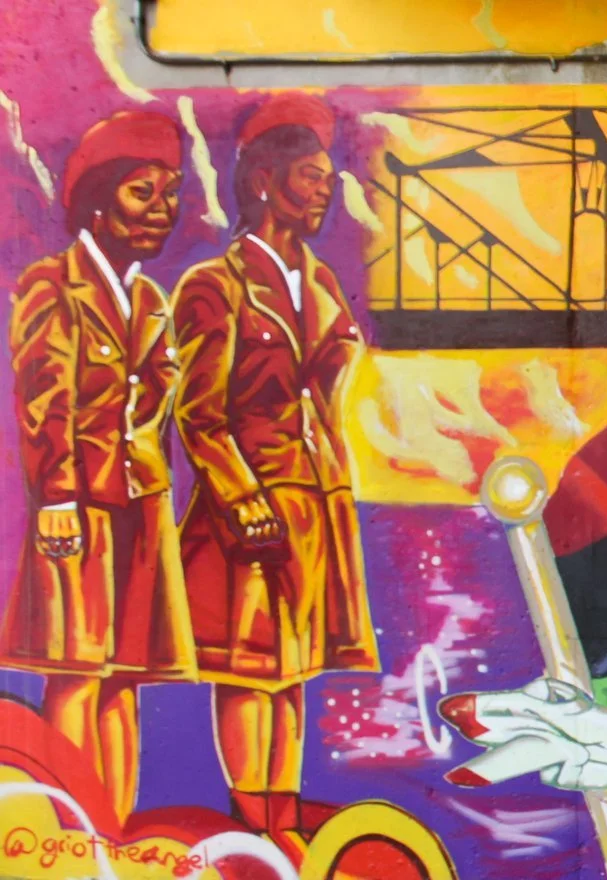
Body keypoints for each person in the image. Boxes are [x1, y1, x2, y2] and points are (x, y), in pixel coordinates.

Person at [170, 92, 376, 837]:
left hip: (314, 500)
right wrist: (241, 496)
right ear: (263, 181)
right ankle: (253, 824)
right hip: (248, 510)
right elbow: (197, 413)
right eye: (310, 177)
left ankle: (281, 822)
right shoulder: (215, 287)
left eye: (327, 178)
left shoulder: (319, 285)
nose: (324, 191)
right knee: (249, 672)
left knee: (294, 673)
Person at [2, 110, 196, 821]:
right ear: (96, 199)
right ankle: (72, 834)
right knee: (79, 674)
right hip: (78, 509)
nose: (162, 210)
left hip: (140, 506)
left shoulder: (148, 298)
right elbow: (43, 398)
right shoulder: (53, 285)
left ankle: (113, 833)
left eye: (170, 194)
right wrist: (57, 495)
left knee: (124, 679)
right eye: (143, 193)